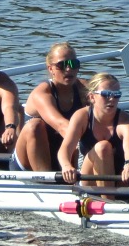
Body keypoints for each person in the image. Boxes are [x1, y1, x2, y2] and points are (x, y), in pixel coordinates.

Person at [57, 72, 129, 192]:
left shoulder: (126, 121)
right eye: (106, 94)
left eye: (116, 94)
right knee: (103, 147)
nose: (112, 99)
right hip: (89, 177)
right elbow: (65, 149)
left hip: (119, 175)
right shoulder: (81, 116)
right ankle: (110, 201)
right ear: (92, 97)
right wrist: (66, 166)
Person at [15, 42, 89, 173]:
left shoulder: (86, 89)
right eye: (62, 65)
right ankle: (45, 182)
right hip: (28, 163)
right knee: (35, 125)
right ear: (51, 69)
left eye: (73, 64)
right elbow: (61, 125)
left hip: (65, 156)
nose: (68, 69)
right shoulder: (42, 93)